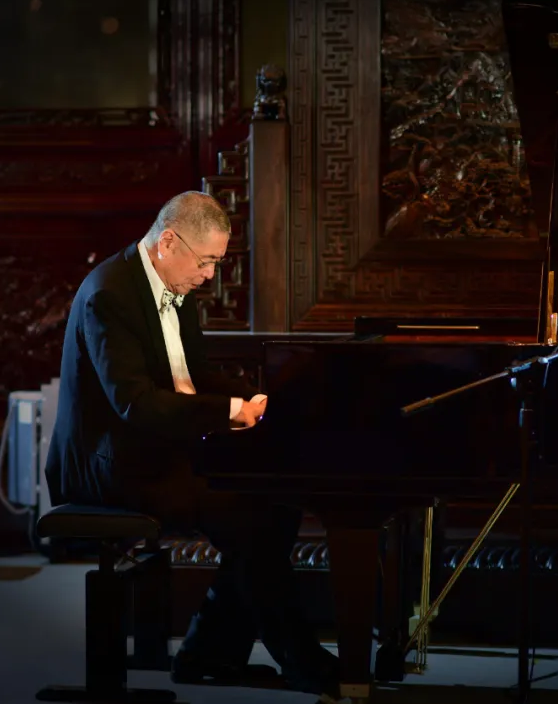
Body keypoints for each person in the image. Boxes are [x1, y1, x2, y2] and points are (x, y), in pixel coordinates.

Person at [44, 191, 339, 697]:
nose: (209, 275)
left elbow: (193, 375)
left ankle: (208, 654)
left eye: (216, 263)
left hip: (154, 450)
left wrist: (255, 399)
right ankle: (295, 658)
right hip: (110, 464)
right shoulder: (110, 294)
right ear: (168, 242)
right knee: (250, 517)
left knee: (277, 506)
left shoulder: (170, 283)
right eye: (205, 261)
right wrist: (228, 412)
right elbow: (134, 403)